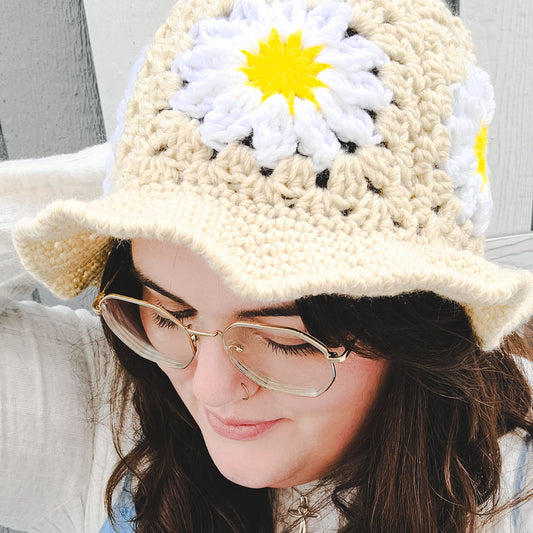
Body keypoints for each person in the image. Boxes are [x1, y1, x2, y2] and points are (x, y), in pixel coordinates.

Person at [1, 0, 533, 531]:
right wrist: (151, 161)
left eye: (287, 339)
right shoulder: (103, 405)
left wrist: (401, 194)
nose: (210, 388)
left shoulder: (515, 493)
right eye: (167, 316)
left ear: (418, 320)